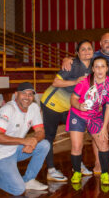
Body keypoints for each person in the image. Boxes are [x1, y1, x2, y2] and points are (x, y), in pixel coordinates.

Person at [0, 82, 50, 196]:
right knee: (17, 189)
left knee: (44, 144)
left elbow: (40, 131)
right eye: (24, 93)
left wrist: (34, 141)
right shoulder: (7, 109)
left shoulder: (34, 108)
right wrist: (25, 141)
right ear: (16, 94)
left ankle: (29, 180)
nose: (27, 97)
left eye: (30, 94)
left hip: (14, 149)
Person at [41, 40, 93, 182]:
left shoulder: (93, 66)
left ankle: (77, 164)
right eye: (83, 49)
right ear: (77, 53)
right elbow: (55, 82)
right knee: (49, 137)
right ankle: (50, 170)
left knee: (78, 134)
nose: (86, 51)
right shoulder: (72, 65)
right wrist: (75, 81)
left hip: (69, 107)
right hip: (52, 104)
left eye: (89, 48)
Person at [68, 57, 109, 185]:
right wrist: (79, 106)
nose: (100, 69)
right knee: (77, 146)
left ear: (107, 68)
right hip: (78, 115)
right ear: (93, 69)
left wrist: (105, 127)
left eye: (102, 66)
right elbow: (73, 98)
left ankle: (105, 173)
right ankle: (77, 172)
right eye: (97, 67)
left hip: (95, 116)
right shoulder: (85, 81)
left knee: (104, 143)